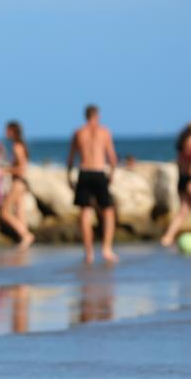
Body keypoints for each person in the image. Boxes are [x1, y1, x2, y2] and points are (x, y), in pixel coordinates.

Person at [67, 104, 119, 264]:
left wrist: (68, 176)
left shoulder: (78, 132)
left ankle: (88, 253)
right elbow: (112, 157)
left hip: (84, 172)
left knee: (85, 212)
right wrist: (112, 174)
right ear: (97, 115)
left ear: (85, 116)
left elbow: (71, 157)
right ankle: (106, 249)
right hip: (98, 171)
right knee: (108, 212)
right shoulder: (104, 132)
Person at [161, 121, 191, 248]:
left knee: (183, 212)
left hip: (182, 180)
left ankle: (167, 238)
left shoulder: (182, 145)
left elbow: (179, 164)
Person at [0, 121, 35, 249]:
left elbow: (22, 168)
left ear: (13, 131)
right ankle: (24, 241)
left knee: (5, 213)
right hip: (21, 182)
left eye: (7, 130)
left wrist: (5, 170)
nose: (5, 133)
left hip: (18, 182)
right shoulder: (20, 145)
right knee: (20, 213)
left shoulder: (17, 147)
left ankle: (26, 235)